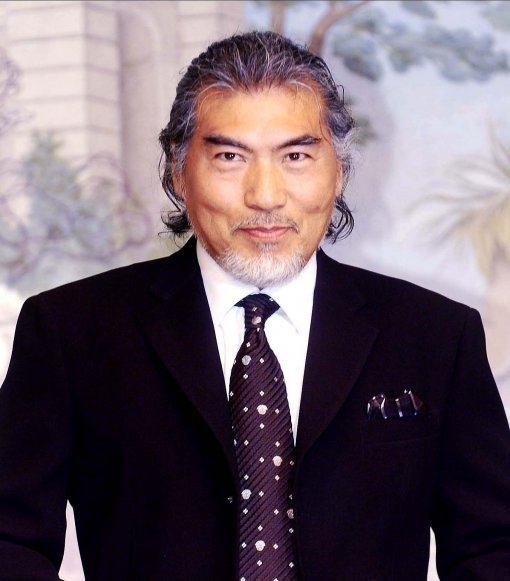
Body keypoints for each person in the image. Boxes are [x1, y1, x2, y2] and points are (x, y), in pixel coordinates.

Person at [0, 31, 509, 581]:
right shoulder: (71, 331)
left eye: (296, 156)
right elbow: (10, 540)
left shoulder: (435, 335)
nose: (265, 196)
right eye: (229, 157)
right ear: (177, 171)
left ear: (339, 170)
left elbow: (492, 547)